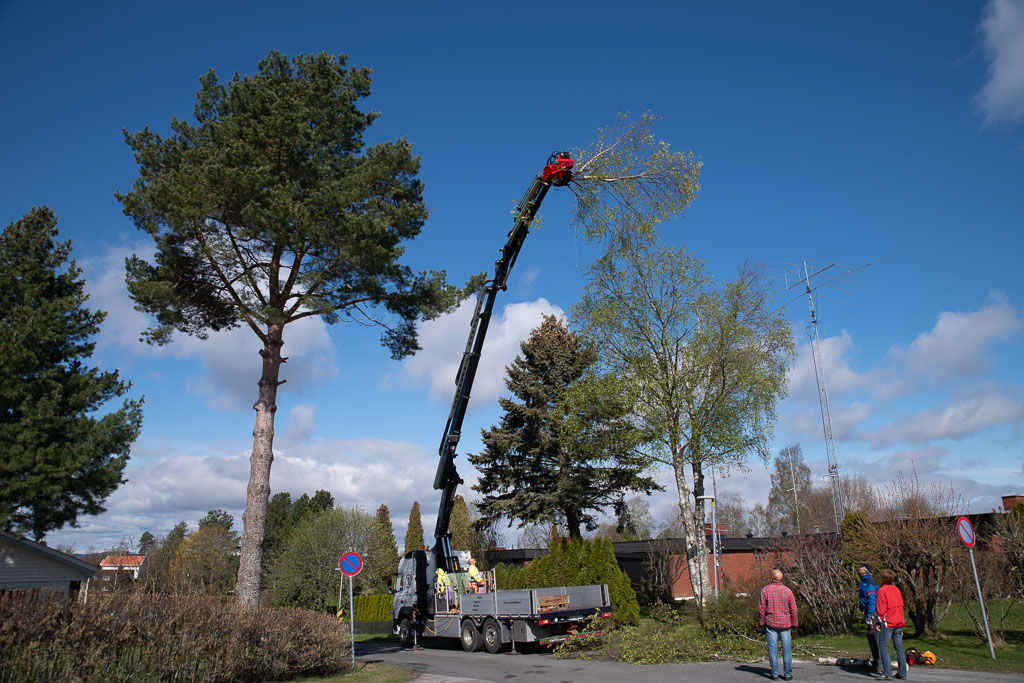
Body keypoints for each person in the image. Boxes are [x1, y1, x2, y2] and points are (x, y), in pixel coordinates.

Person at [759, 568, 799, 681]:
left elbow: (761, 609)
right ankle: (787, 674)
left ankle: (775, 674)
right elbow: (794, 609)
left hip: (771, 623)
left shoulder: (765, 590)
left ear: (772, 577)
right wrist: (795, 623)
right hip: (785, 623)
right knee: (787, 649)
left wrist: (762, 622)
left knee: (772, 649)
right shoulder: (787, 591)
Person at [875, 569, 908, 680]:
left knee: (883, 646)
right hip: (899, 620)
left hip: (888, 621)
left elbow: (881, 608)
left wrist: (878, 621)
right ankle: (902, 672)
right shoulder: (896, 589)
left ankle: (887, 672)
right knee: (899, 647)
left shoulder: (882, 590)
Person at [858, 564, 881, 672]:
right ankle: (876, 661)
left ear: (866, 570)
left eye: (862, 568)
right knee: (871, 637)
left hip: (872, 613)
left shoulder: (869, 582)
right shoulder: (863, 581)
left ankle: (879, 663)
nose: (859, 570)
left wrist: (870, 615)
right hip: (867, 611)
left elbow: (871, 598)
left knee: (875, 636)